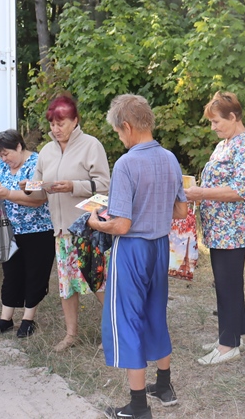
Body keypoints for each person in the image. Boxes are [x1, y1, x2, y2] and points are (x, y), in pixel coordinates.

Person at [88, 94, 188, 419]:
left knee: (127, 319)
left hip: (132, 249)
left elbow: (122, 224)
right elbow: (181, 209)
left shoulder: (127, 163)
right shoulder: (171, 158)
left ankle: (137, 406)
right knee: (156, 313)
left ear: (127, 127)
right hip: (160, 246)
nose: (120, 138)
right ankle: (164, 386)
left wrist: (95, 219)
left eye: (118, 133)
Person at [185, 91, 245, 366]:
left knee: (228, 284)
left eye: (217, 121)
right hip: (219, 228)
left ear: (233, 117)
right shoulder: (226, 143)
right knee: (226, 283)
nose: (213, 127)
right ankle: (231, 335)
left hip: (234, 228)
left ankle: (227, 345)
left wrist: (201, 193)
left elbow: (240, 190)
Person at [31, 94, 110, 352]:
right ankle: (71, 334)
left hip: (89, 228)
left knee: (98, 282)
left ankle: (116, 331)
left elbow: (106, 187)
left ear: (75, 121)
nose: (56, 129)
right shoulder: (46, 151)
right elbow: (39, 191)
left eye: (61, 123)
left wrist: (73, 186)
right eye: (53, 124)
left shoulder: (91, 145)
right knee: (66, 285)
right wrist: (28, 187)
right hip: (61, 231)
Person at [0, 129, 55, 338]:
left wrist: (8, 194)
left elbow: (38, 198)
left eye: (6, 154)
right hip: (11, 229)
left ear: (19, 147)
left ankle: (28, 320)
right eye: (0, 155)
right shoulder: (4, 165)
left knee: (34, 274)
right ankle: (5, 319)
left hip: (38, 230)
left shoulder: (36, 164)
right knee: (11, 273)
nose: (4, 159)